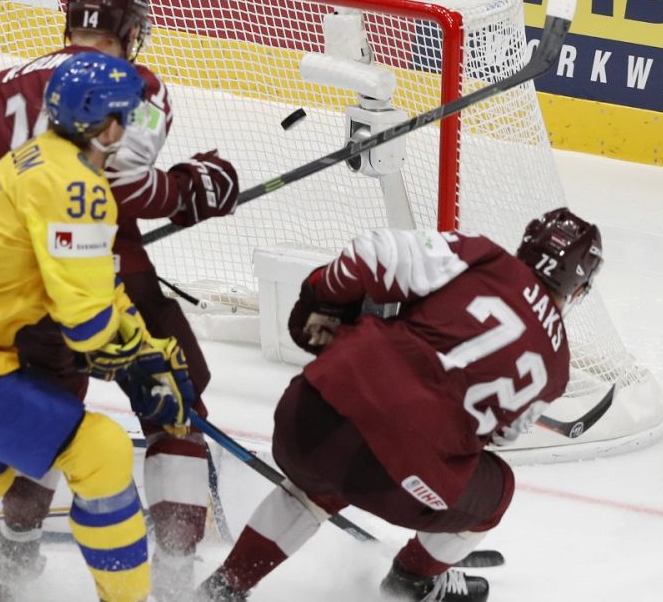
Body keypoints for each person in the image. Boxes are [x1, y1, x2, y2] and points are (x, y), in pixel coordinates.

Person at [0, 0, 239, 599]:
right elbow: (123, 188)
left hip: (13, 288)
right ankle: (176, 579)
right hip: (105, 273)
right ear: (132, 31)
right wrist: (193, 191)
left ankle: (17, 561)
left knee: (46, 411)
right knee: (176, 409)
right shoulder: (136, 83)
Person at [0, 51, 198, 602]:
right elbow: (87, 321)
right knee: (100, 449)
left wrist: (140, 346)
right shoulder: (79, 187)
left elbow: (83, 281)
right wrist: (144, 369)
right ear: (109, 124)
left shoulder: (35, 157)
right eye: (128, 116)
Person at [196, 209, 604, 602]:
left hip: (307, 418)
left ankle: (223, 589)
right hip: (404, 485)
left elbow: (369, 255)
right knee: (496, 494)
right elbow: (498, 434)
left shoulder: (482, 254)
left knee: (321, 475)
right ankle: (411, 582)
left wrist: (323, 302)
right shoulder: (556, 367)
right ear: (578, 289)